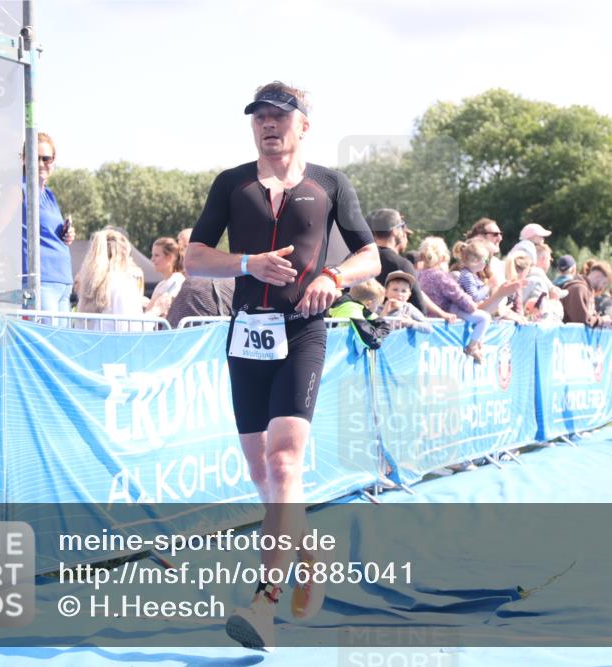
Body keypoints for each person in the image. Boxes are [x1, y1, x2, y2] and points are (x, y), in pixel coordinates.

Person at [183, 81, 379, 650]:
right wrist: (246, 262)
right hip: (246, 334)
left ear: (303, 126)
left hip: (303, 333)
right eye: (261, 117)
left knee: (285, 461)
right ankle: (311, 554)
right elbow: (196, 256)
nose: (269, 125)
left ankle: (265, 602)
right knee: (263, 477)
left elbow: (371, 253)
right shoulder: (231, 183)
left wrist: (333, 276)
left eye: (280, 116)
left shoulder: (330, 185)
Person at [366, 208, 454, 322]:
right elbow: (419, 306)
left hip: (356, 329)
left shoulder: (357, 258)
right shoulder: (402, 264)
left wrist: (441, 313)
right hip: (394, 331)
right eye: (402, 226)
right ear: (395, 231)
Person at [418, 237, 496, 363]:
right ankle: (472, 346)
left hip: (431, 319)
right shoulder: (440, 276)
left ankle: (476, 343)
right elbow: (460, 297)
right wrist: (473, 304)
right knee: (484, 318)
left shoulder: (419, 274)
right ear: (443, 258)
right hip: (445, 316)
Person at [22, 131, 75, 316]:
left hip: (62, 281)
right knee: (43, 342)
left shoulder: (49, 194)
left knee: (59, 341)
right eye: (34, 158)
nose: (41, 164)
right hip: (40, 281)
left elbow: (49, 233)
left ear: (53, 160)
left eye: (46, 158)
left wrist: (67, 234)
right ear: (23, 159)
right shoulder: (19, 188)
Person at [74, 228, 146, 332]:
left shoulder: (88, 287)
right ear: (123, 255)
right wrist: (155, 311)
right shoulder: (123, 284)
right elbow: (133, 329)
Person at [144, 236, 186, 319]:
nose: (152, 259)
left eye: (156, 255)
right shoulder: (161, 284)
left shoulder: (177, 281)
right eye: (152, 255)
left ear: (169, 257)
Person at [560, 260, 612, 326]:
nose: (602, 287)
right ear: (598, 276)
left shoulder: (587, 291)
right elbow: (582, 320)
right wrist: (602, 320)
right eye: (604, 283)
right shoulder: (578, 289)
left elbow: (589, 317)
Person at [465, 218, 507, 286]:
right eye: (495, 234)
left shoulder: (496, 262)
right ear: (479, 236)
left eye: (500, 234)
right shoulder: (470, 263)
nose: (500, 238)